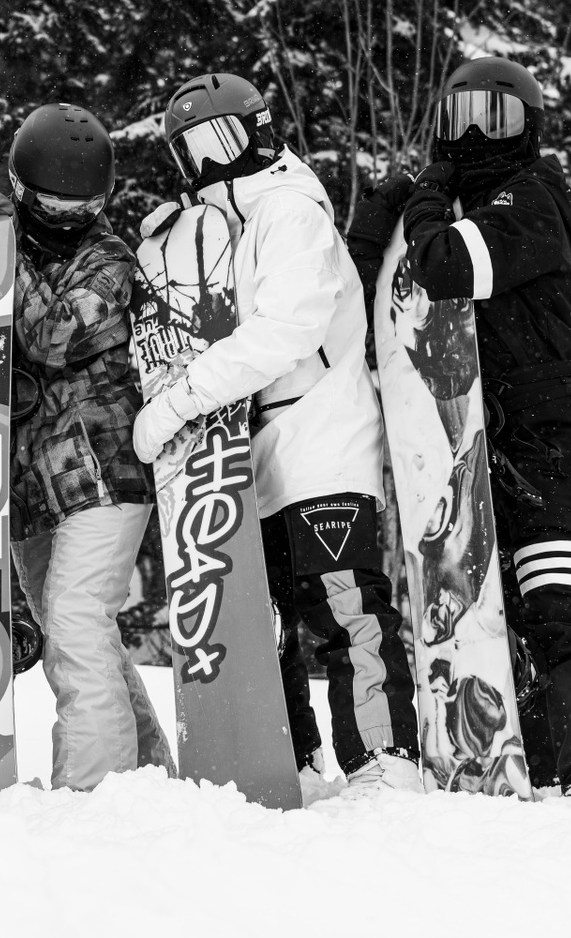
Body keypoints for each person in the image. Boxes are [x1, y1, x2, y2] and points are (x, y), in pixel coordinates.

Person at [345, 56, 571, 809]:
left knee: (559, 602)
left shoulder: (534, 199)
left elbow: (447, 265)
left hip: (553, 436)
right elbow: (379, 298)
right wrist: (373, 230)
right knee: (509, 611)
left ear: (530, 127)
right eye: (462, 118)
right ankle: (550, 764)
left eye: (497, 117)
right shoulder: (469, 206)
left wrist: (425, 197)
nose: (477, 136)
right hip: (495, 441)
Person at [132, 72, 421, 798]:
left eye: (220, 141)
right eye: (191, 151)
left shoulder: (288, 210)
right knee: (268, 624)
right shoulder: (220, 224)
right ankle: (292, 759)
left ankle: (384, 761)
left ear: (258, 133)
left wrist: (179, 402)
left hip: (321, 433)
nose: (209, 163)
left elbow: (284, 330)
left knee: (343, 604)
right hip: (247, 447)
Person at [0, 103, 173, 791]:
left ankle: (93, 790)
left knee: (77, 621)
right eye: (50, 203)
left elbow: (53, 335)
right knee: (75, 635)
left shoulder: (110, 262)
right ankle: (149, 780)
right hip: (30, 486)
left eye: (79, 206)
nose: (64, 217)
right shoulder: (6, 241)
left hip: (102, 473)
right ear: (22, 186)